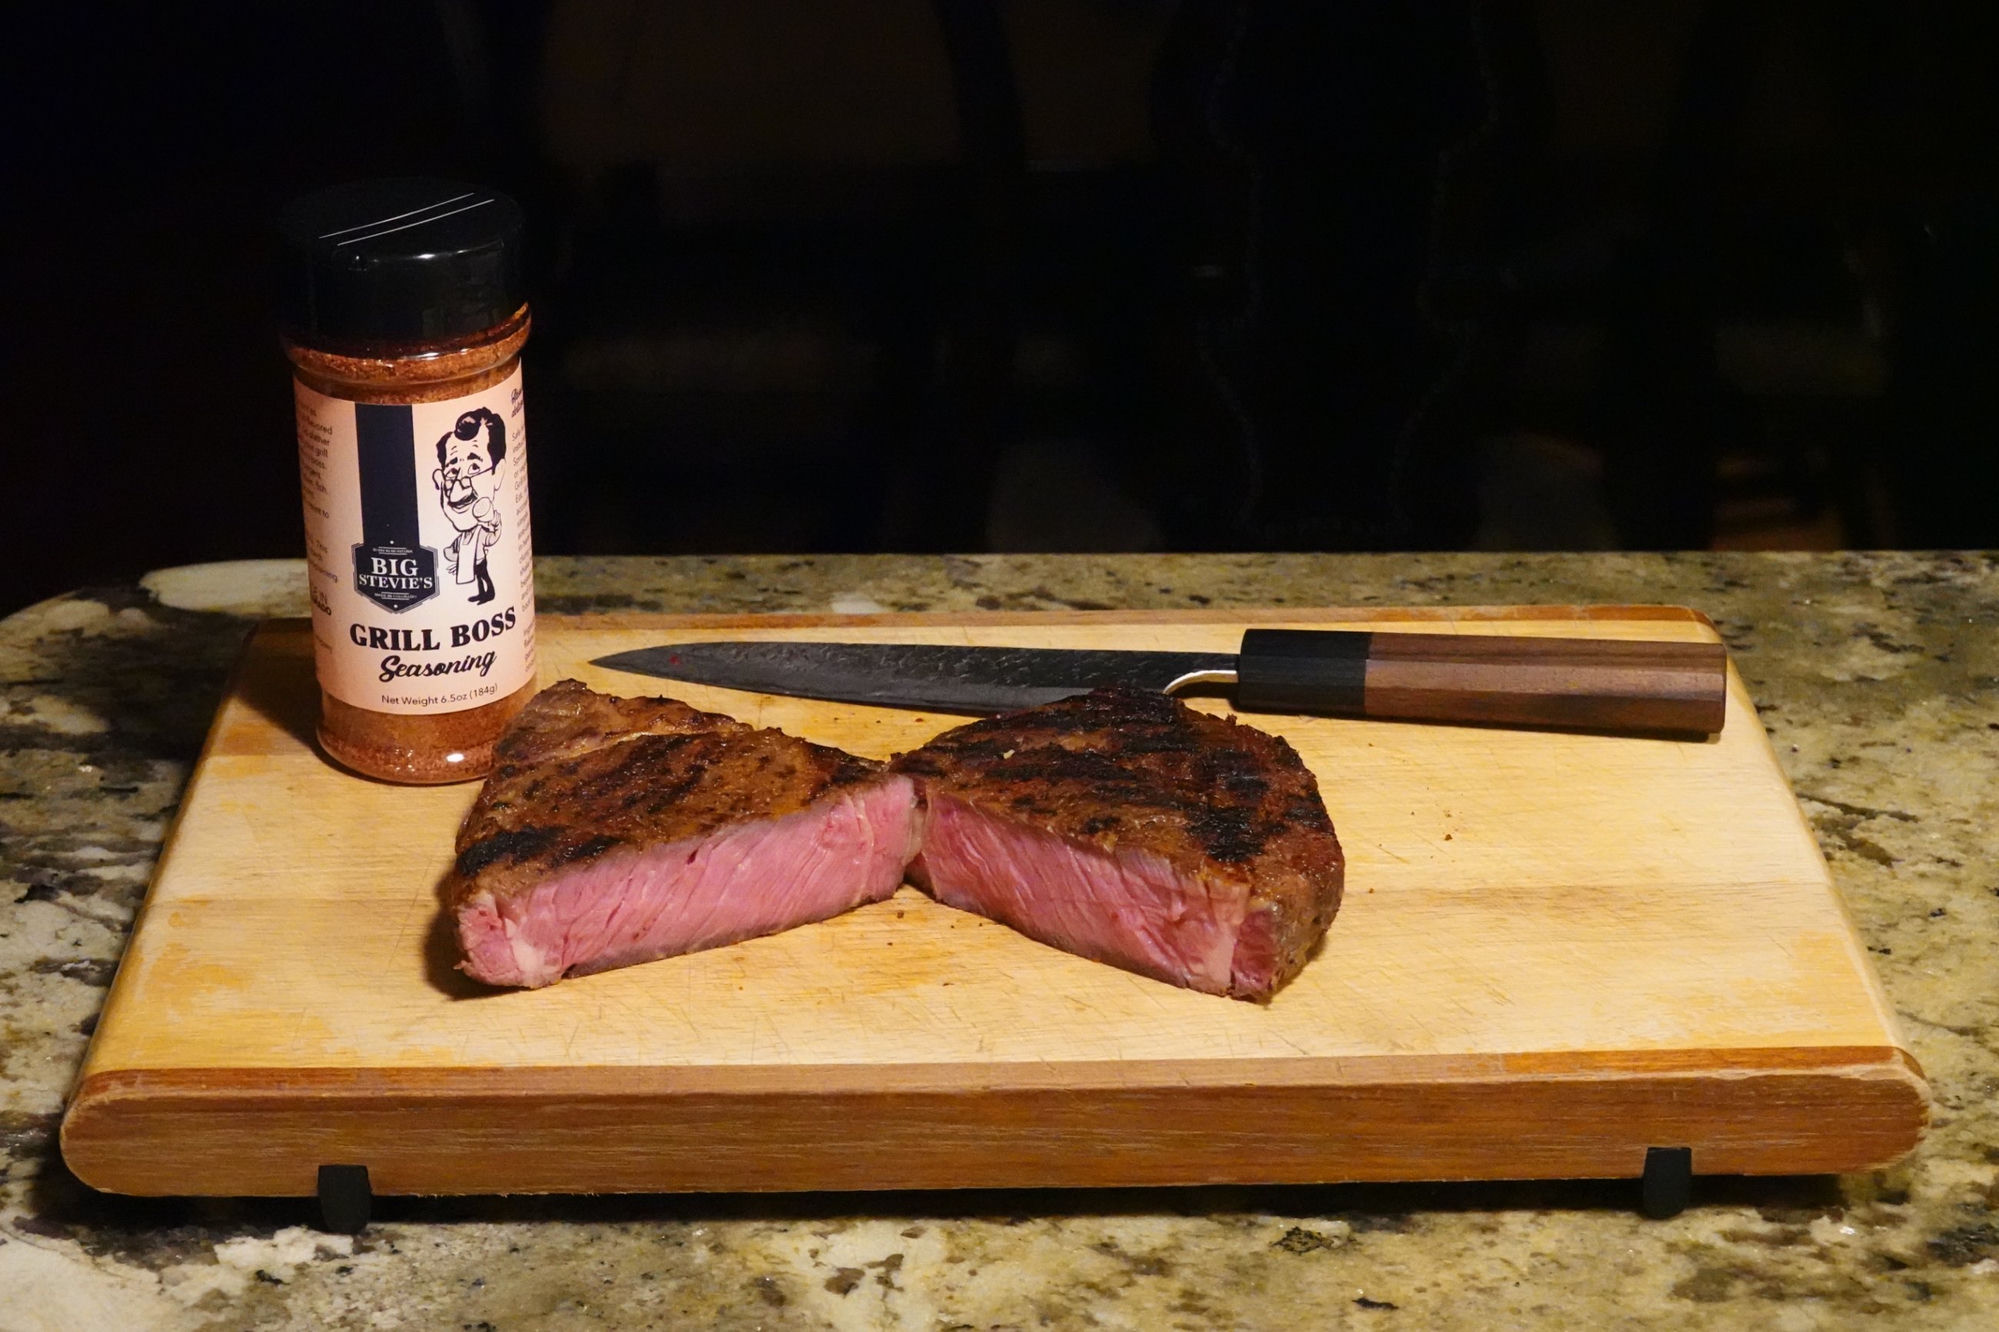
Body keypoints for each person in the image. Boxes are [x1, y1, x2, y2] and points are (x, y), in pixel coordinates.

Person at [432, 407, 507, 604]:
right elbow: (452, 550)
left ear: (497, 473)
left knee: (483, 575)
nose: (459, 486)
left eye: (474, 468)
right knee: (479, 577)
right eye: (452, 471)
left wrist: (491, 520)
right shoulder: (463, 537)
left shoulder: (483, 528)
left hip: (481, 561)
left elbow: (493, 535)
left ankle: (488, 593)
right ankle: (483, 593)